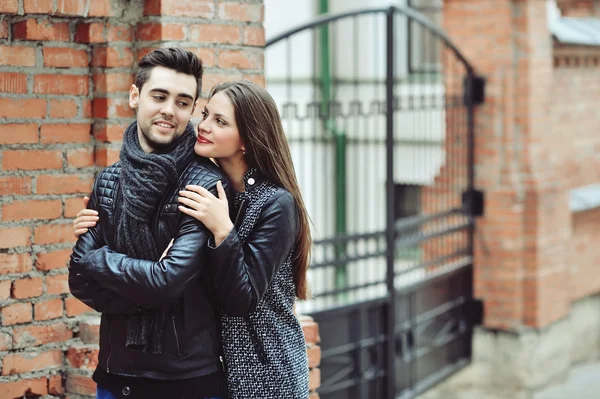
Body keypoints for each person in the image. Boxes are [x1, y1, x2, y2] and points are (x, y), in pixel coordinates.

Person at [73, 81, 313, 398]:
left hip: (263, 365)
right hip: (216, 365)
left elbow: (241, 299)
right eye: (206, 114)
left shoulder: (275, 204)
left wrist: (223, 231)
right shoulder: (209, 189)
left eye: (220, 121)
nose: (205, 126)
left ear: (247, 139)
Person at [68, 47, 230, 399]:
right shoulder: (108, 180)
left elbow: (166, 283)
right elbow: (80, 282)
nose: (169, 110)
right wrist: (148, 285)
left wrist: (99, 259)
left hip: (188, 382)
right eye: (159, 96)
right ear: (134, 96)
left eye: (183, 102)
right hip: (115, 377)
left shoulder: (203, 186)